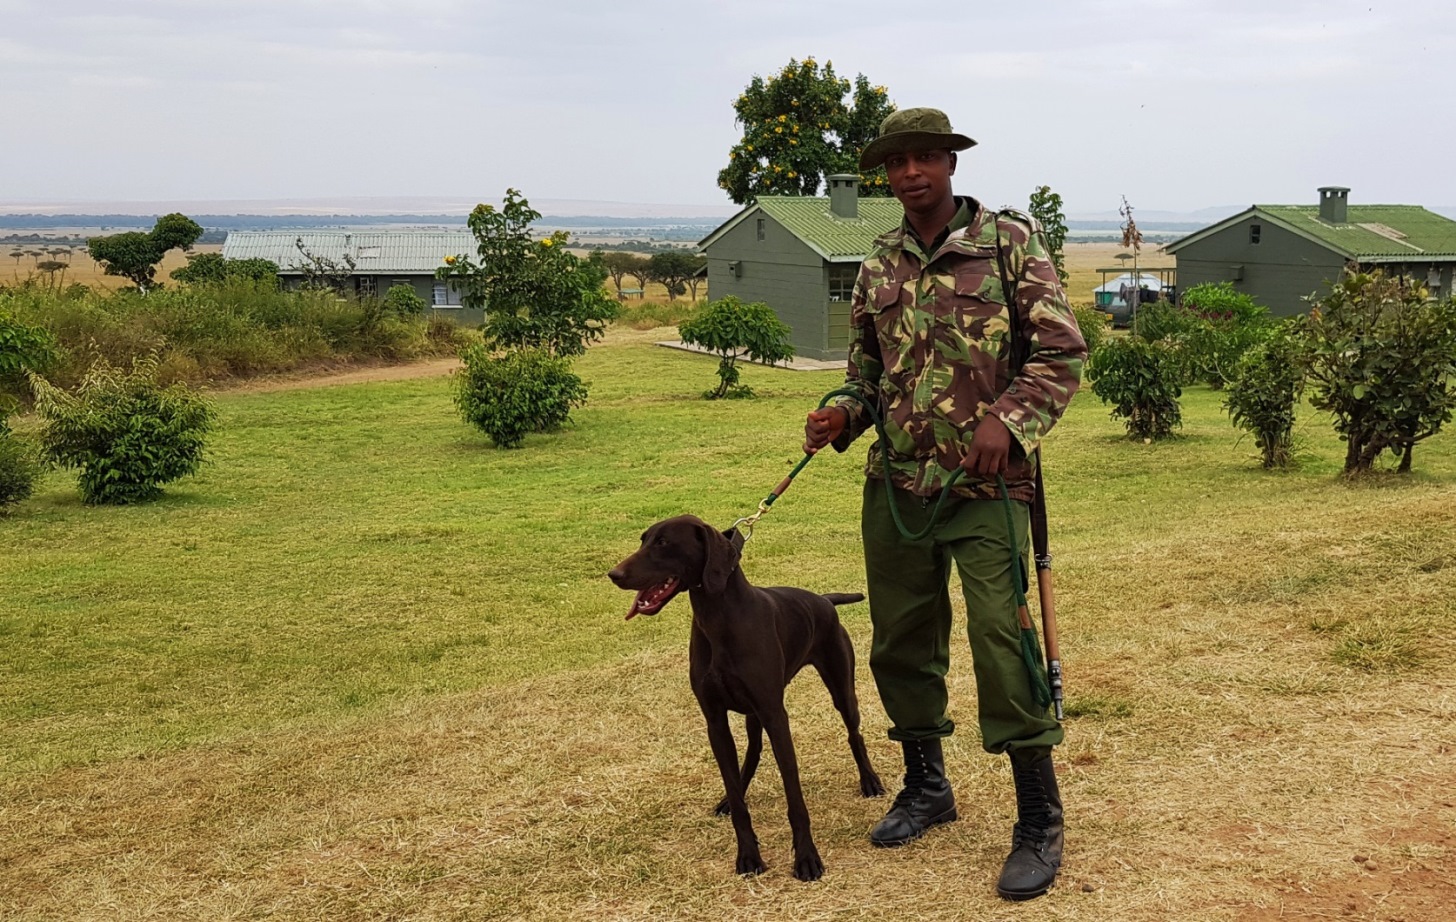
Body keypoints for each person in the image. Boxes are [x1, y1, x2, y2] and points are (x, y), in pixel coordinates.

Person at [803, 107, 1087, 901]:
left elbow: (1061, 352)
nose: (910, 174)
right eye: (896, 164)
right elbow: (867, 374)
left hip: (988, 489)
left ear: (950, 165)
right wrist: (841, 415)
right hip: (898, 491)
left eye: (925, 158)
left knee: (1002, 638)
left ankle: (1038, 818)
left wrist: (1010, 419)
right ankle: (926, 785)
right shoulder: (878, 264)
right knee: (899, 640)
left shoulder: (1006, 243)